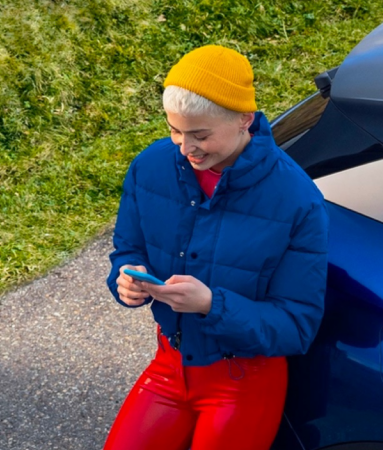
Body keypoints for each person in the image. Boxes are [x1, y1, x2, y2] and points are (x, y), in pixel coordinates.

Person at [103, 45, 329, 450]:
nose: (185, 147)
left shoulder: (297, 200)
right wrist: (126, 277)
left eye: (200, 135)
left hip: (244, 384)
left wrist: (211, 303)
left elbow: (297, 327)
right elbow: (128, 248)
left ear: (245, 120)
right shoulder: (151, 166)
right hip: (170, 365)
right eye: (175, 130)